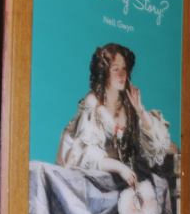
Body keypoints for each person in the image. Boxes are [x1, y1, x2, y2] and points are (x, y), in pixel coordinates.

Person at [58, 43, 177, 188]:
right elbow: (87, 154)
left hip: (126, 178)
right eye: (115, 69)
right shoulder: (93, 103)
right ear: (104, 73)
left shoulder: (129, 102)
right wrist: (119, 167)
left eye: (124, 69)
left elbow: (155, 148)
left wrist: (140, 110)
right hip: (98, 178)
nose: (122, 74)